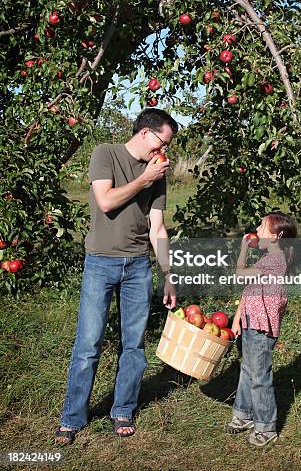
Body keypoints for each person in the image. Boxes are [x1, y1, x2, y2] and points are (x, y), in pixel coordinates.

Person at [55, 108, 178, 444]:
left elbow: (157, 226)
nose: (163, 150)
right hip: (101, 262)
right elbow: (106, 201)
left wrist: (168, 272)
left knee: (134, 346)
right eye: (161, 141)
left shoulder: (158, 172)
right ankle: (72, 417)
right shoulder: (105, 153)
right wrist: (143, 180)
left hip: (138, 266)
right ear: (145, 133)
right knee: (88, 344)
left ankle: (123, 409)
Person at [225, 212, 297, 447]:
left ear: (276, 236)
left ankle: (266, 427)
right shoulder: (270, 258)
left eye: (262, 226)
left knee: (259, 375)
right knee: (248, 369)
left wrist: (244, 248)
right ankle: (244, 414)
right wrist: (237, 319)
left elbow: (239, 274)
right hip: (251, 320)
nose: (256, 228)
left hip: (260, 326)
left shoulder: (273, 261)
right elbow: (249, 289)